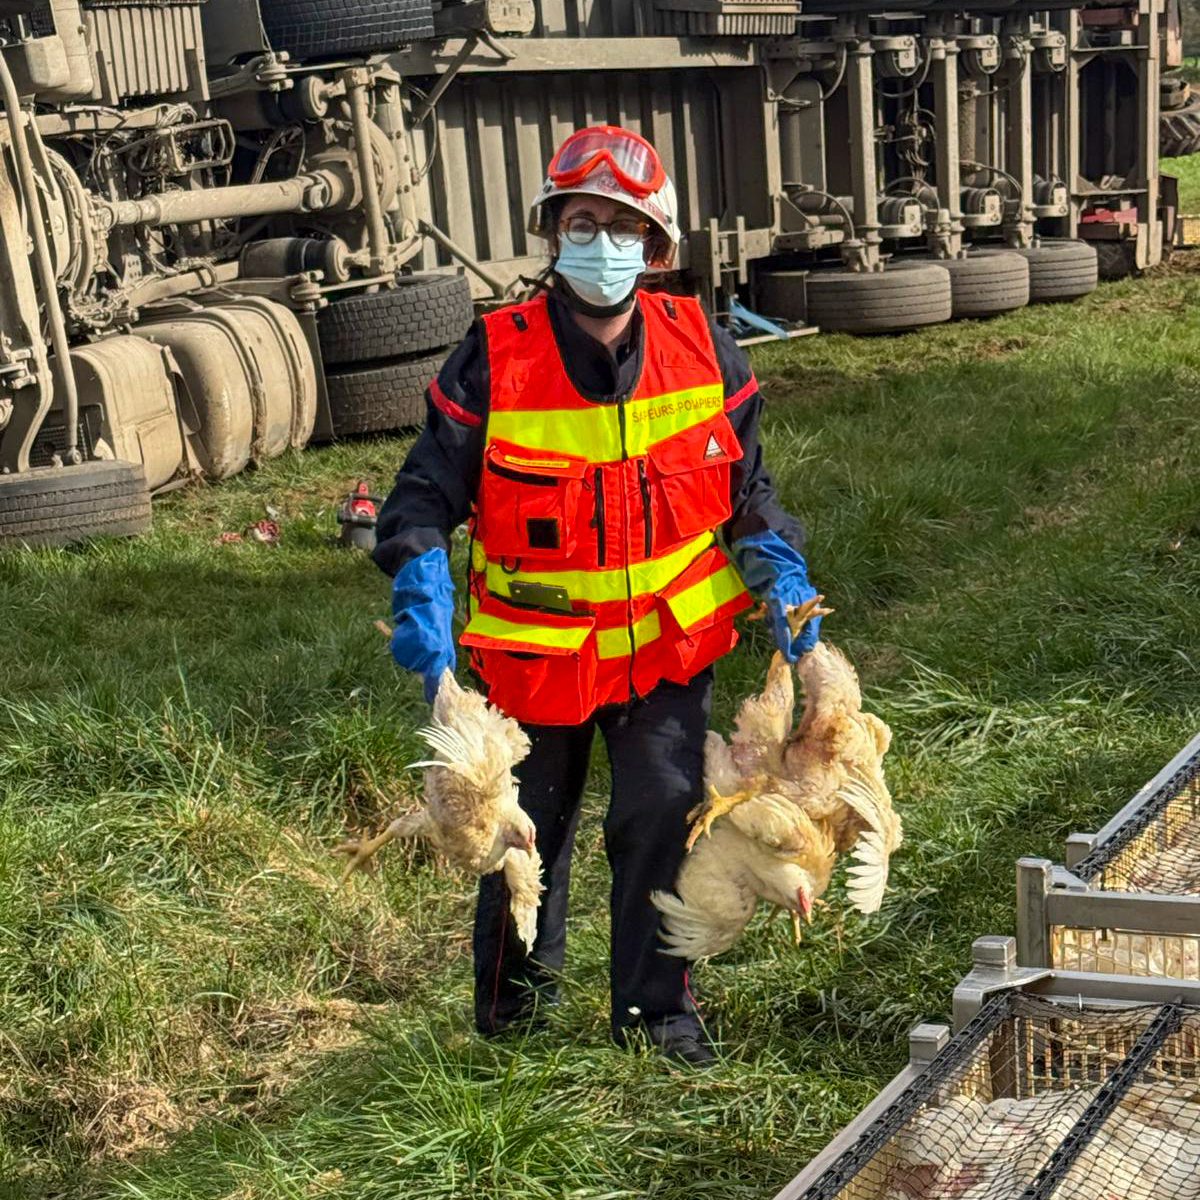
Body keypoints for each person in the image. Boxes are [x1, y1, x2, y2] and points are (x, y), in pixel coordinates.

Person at [372, 126, 821, 1067]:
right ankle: (512, 1020)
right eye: (583, 221)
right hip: (532, 668)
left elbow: (750, 499)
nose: (602, 242)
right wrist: (419, 588)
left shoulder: (709, 352)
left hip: (664, 656)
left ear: (654, 249)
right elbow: (423, 495)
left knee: (661, 819)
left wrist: (781, 576)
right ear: (551, 234)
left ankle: (656, 1017)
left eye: (622, 226)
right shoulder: (493, 357)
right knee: (519, 837)